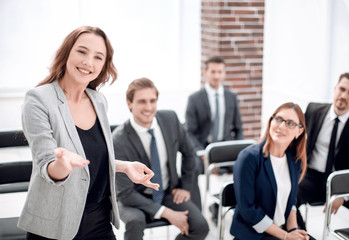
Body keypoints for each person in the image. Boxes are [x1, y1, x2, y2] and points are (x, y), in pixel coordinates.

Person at [18, 26, 159, 240]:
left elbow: (90, 158)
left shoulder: (98, 101)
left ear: (103, 66)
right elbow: (47, 165)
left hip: (99, 218)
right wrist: (62, 165)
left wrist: (124, 166)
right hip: (54, 223)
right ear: (67, 52)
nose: (88, 62)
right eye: (82, 51)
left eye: (98, 57)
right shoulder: (38, 99)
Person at [112, 78, 209, 240]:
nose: (149, 107)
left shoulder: (170, 119)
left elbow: (189, 153)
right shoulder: (117, 140)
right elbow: (125, 193)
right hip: (133, 197)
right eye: (142, 102)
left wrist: (185, 186)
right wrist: (167, 213)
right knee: (135, 222)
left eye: (152, 101)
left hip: (167, 191)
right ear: (129, 104)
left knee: (200, 227)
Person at [230, 102, 313, 240]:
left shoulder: (294, 160)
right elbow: (248, 210)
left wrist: (293, 229)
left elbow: (291, 200)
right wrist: (286, 236)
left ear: (299, 131)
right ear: (271, 121)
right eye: (278, 119)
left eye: (290, 123)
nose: (281, 126)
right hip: (254, 234)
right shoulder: (248, 158)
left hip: (282, 229)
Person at [185, 56, 244, 223]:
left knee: (244, 167)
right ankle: (196, 211)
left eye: (220, 72)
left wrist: (239, 151)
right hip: (204, 148)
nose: (216, 76)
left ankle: (222, 204)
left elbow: (238, 128)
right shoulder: (195, 99)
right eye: (213, 72)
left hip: (224, 147)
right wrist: (203, 154)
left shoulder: (231, 97)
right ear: (205, 73)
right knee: (193, 168)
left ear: (224, 73)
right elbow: (189, 132)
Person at [297, 73, 349, 229]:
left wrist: (344, 196)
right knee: (288, 194)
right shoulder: (314, 110)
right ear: (335, 88)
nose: (344, 96)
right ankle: (300, 235)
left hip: (342, 182)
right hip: (311, 177)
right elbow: (294, 138)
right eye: (342, 89)